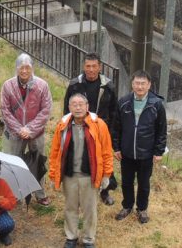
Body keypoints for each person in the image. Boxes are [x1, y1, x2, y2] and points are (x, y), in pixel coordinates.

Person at [49, 93, 113, 248]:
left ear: (87, 106)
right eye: (74, 104)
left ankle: (88, 239)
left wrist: (106, 174)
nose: (77, 107)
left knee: (90, 210)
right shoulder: (62, 125)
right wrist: (53, 174)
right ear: (69, 107)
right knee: (70, 207)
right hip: (69, 175)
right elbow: (55, 152)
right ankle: (71, 236)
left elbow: (106, 151)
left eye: (80, 104)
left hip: (89, 175)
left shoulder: (99, 124)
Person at [62, 52, 119, 205]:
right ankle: (80, 191)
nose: (91, 69)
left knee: (102, 161)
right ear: (83, 66)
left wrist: (112, 135)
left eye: (94, 66)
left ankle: (104, 190)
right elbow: (67, 109)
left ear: (99, 67)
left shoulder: (108, 86)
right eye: (88, 66)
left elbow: (114, 112)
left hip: (101, 131)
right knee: (81, 160)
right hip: (79, 128)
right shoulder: (75, 84)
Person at [113, 70, 167, 224]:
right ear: (132, 84)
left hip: (146, 153)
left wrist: (159, 151)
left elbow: (161, 130)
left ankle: (142, 209)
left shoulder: (156, 105)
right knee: (126, 182)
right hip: (127, 152)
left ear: (149, 85)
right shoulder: (124, 102)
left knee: (144, 183)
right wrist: (116, 147)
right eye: (137, 83)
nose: (140, 86)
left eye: (143, 83)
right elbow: (116, 127)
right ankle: (127, 206)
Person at [0, 53, 53, 206]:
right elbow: (5, 110)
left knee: (38, 162)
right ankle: (14, 193)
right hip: (14, 132)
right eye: (21, 67)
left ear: (32, 68)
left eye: (27, 67)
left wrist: (30, 129)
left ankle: (39, 192)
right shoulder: (8, 86)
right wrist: (19, 129)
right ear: (16, 68)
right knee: (13, 163)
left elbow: (46, 110)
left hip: (36, 133)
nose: (24, 71)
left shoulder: (42, 85)